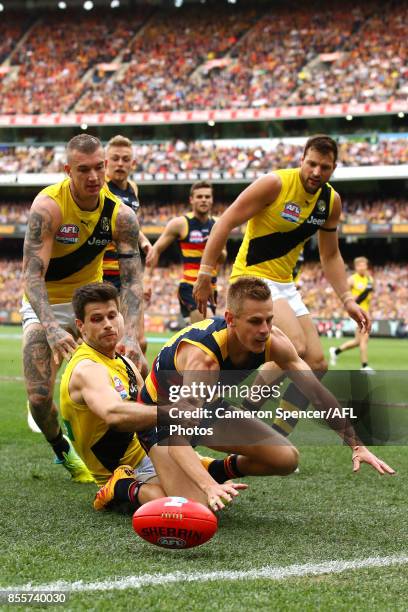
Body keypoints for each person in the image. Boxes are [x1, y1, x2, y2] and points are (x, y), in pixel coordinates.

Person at [139, 278, 394, 512]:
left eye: (268, 320)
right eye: (255, 321)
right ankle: (124, 486)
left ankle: (213, 469)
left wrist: (356, 445)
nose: (264, 329)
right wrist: (207, 486)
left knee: (286, 459)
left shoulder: (274, 340)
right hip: (161, 422)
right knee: (199, 510)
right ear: (230, 319)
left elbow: (316, 393)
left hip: (208, 409)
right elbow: (177, 440)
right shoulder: (203, 361)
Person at [193, 135, 370, 437]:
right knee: (296, 348)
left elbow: (330, 254)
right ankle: (245, 412)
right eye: (311, 164)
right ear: (301, 160)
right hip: (252, 276)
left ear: (333, 168)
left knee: (316, 362)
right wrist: (206, 273)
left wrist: (347, 299)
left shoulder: (330, 201)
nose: (316, 172)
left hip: (285, 283)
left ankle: (278, 435)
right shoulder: (274, 184)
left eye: (324, 167)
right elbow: (225, 222)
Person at [22, 134, 146, 482]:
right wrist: (51, 327)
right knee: (38, 396)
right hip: (44, 302)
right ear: (68, 171)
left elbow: (133, 280)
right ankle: (63, 450)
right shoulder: (48, 208)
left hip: (89, 303)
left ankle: (149, 444)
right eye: (83, 170)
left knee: (139, 363)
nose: (93, 177)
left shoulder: (120, 215)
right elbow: (32, 275)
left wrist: (133, 336)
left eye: (99, 168)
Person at [60, 281, 244, 511]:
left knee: (263, 461)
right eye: (97, 319)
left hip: (147, 451)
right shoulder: (87, 369)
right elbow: (113, 414)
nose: (108, 324)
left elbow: (151, 402)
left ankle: (207, 468)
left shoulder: (124, 361)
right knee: (189, 507)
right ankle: (116, 487)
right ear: (81, 326)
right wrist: (171, 413)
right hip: (119, 467)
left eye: (112, 315)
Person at [146, 181, 225, 324]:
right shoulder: (180, 224)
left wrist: (214, 246)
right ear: (191, 199)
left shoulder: (219, 224)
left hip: (211, 286)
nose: (203, 200)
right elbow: (155, 250)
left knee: (196, 333)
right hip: (190, 286)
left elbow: (222, 258)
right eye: (199, 196)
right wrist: (146, 280)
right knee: (208, 327)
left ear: (212, 200)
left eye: (207, 197)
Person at [102, 135, 152, 360]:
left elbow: (129, 225)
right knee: (107, 340)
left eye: (125, 159)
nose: (120, 163)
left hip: (128, 275)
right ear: (106, 162)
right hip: (102, 272)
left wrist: (142, 239)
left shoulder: (133, 188)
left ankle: (132, 390)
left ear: (132, 163)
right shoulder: (99, 188)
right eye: (115, 159)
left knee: (139, 341)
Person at [330, 257, 374, 371]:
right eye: (359, 265)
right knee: (364, 339)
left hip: (365, 313)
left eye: (364, 265)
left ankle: (335, 351)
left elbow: (369, 299)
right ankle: (364, 366)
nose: (362, 267)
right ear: (356, 267)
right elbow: (343, 295)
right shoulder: (352, 279)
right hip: (357, 314)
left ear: (366, 266)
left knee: (357, 342)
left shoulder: (370, 280)